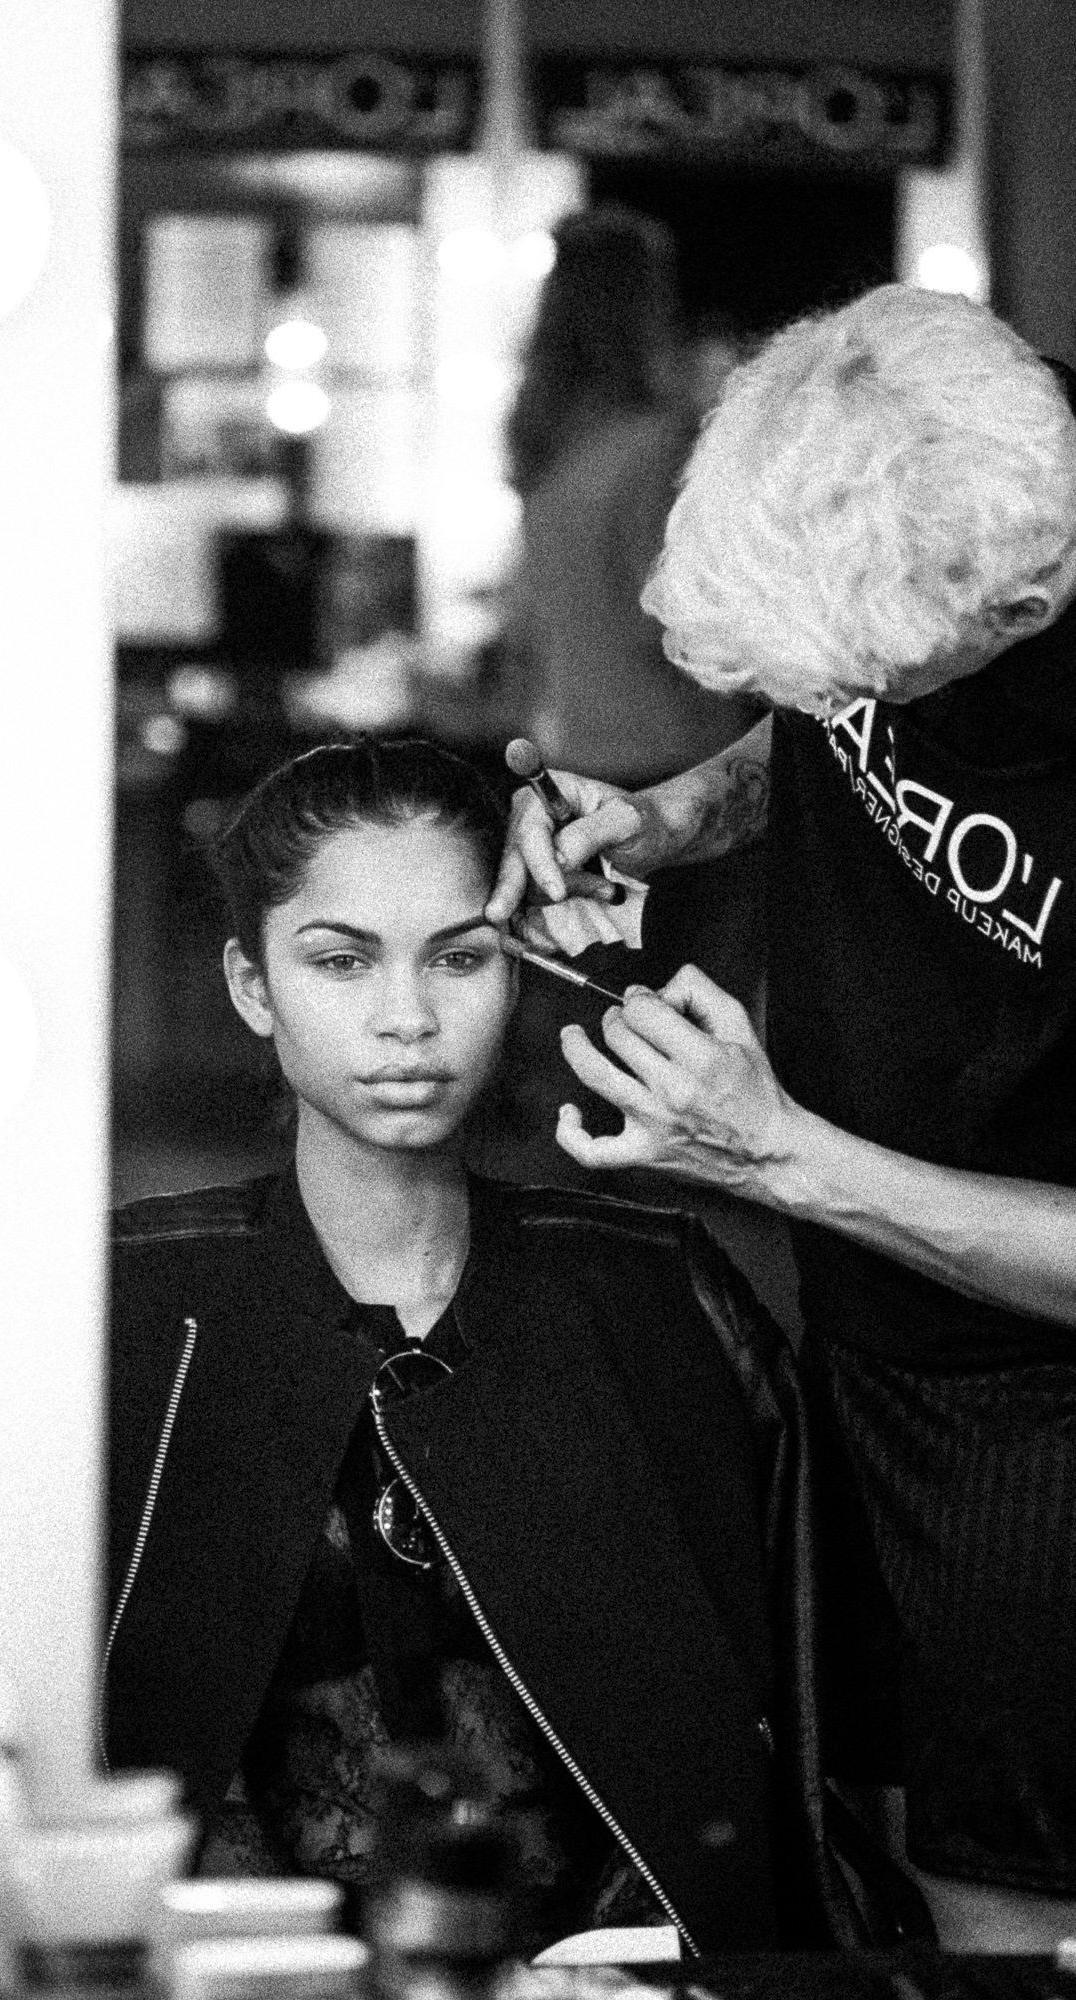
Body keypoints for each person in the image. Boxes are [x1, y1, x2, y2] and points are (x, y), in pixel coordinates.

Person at [485, 284, 1076, 1947]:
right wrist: (673, 813)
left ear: (1021, 601)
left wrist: (785, 1159)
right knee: (867, 1868)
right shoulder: (942, 426)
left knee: (1001, 1927)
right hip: (872, 1336)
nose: (856, 712)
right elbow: (837, 729)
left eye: (877, 675)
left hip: (1040, 1423)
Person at [100, 737, 860, 1956]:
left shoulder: (657, 1296)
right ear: (252, 986)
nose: (406, 1018)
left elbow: (808, 1745)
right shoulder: (132, 1305)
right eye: (340, 961)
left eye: (459, 957)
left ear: (517, 969)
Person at [501, 206, 763, 1008]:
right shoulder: (656, 443)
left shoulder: (548, 445)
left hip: (578, 754)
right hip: (675, 766)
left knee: (603, 1002)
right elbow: (674, 621)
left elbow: (531, 618)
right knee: (692, 1014)